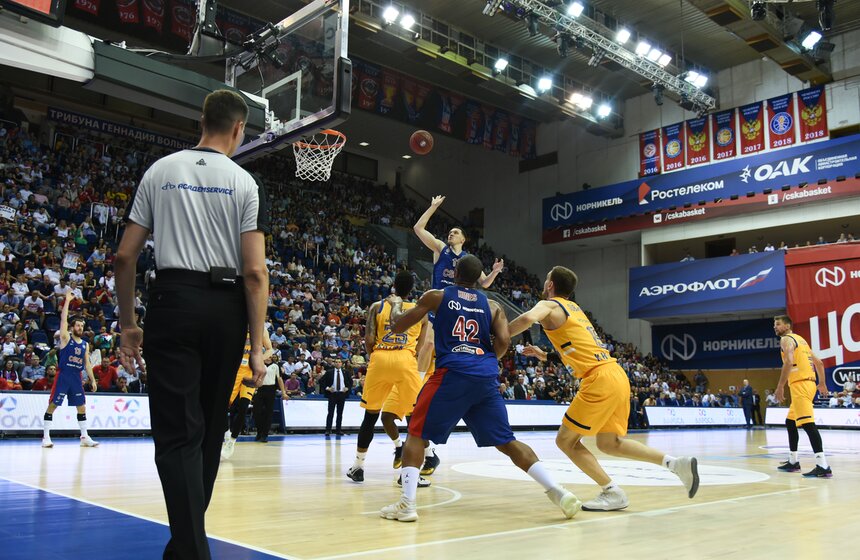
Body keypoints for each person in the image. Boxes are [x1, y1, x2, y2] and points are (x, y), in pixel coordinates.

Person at [115, 89, 270, 560]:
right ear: (239, 129)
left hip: (173, 301)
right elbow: (255, 272)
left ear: (201, 120)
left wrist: (128, 324)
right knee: (208, 427)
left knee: (177, 432)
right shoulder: (245, 183)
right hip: (226, 311)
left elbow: (124, 256)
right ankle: (187, 547)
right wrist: (258, 345)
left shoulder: (160, 171)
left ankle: (189, 547)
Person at [379, 255, 581, 522]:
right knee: (507, 441)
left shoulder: (437, 296)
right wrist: (484, 360)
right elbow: (504, 341)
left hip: (451, 375)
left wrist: (395, 306)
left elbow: (398, 326)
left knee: (416, 435)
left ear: (454, 273)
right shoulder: (493, 305)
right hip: (485, 378)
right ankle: (558, 491)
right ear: (478, 279)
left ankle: (407, 505)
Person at [508, 266, 699, 511]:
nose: (545, 283)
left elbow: (527, 319)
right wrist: (545, 356)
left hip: (598, 379)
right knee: (610, 443)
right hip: (616, 375)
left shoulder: (550, 305)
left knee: (565, 441)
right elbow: (578, 349)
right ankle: (675, 464)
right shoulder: (575, 310)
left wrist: (498, 335)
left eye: (546, 280)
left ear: (550, 285)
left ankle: (611, 492)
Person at [412, 195, 504, 473]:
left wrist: (495, 272)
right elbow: (418, 228)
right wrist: (433, 207)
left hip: (460, 306)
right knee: (428, 342)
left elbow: (484, 283)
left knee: (447, 345)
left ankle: (435, 379)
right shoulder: (440, 249)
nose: (450, 234)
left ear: (463, 238)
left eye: (455, 232)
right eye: (450, 231)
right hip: (441, 301)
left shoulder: (469, 260)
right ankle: (417, 381)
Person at [346, 271, 429, 484]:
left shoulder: (377, 306)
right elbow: (420, 346)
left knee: (370, 416)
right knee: (414, 419)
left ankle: (358, 467)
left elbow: (368, 340)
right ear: (412, 289)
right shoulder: (420, 312)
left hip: (380, 358)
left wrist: (377, 355)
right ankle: (410, 475)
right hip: (405, 360)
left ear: (393, 286)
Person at [773, 315, 832, 477]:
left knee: (808, 424)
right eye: (774, 325)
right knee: (790, 422)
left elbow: (788, 361)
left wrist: (780, 386)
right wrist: (822, 383)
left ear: (787, 326)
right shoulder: (801, 340)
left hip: (800, 385)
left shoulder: (786, 339)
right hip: (809, 384)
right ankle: (793, 461)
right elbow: (819, 363)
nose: (775, 327)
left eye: (778, 324)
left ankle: (823, 466)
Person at [41, 291, 99, 448]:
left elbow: (87, 364)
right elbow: (63, 320)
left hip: (76, 377)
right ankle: (46, 437)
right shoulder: (66, 338)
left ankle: (84, 436)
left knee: (81, 407)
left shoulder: (85, 344)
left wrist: (92, 380)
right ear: (72, 327)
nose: (80, 327)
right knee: (53, 405)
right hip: (63, 375)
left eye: (82, 326)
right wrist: (67, 301)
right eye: (78, 325)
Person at [221, 329, 274, 459]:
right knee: (221, 407)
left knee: (244, 407)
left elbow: (270, 350)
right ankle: (226, 432)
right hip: (234, 370)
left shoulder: (261, 329)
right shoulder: (237, 323)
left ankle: (232, 440)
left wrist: (258, 359)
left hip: (250, 372)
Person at [252, 354, 288, 443]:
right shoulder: (259, 364)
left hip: (271, 390)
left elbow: (279, 379)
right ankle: (259, 432)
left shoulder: (275, 366)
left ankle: (264, 435)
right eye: (266, 356)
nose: (268, 358)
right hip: (259, 389)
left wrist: (283, 392)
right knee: (256, 411)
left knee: (268, 413)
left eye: (269, 356)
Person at [320, 358, 352, 436]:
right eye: (336, 362)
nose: (338, 363)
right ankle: (328, 430)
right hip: (332, 394)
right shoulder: (329, 372)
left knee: (340, 413)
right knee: (330, 412)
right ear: (334, 363)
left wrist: (347, 388)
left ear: (342, 364)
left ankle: (338, 430)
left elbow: (350, 382)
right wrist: (327, 388)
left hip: (342, 394)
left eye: (339, 362)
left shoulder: (346, 372)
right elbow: (321, 381)